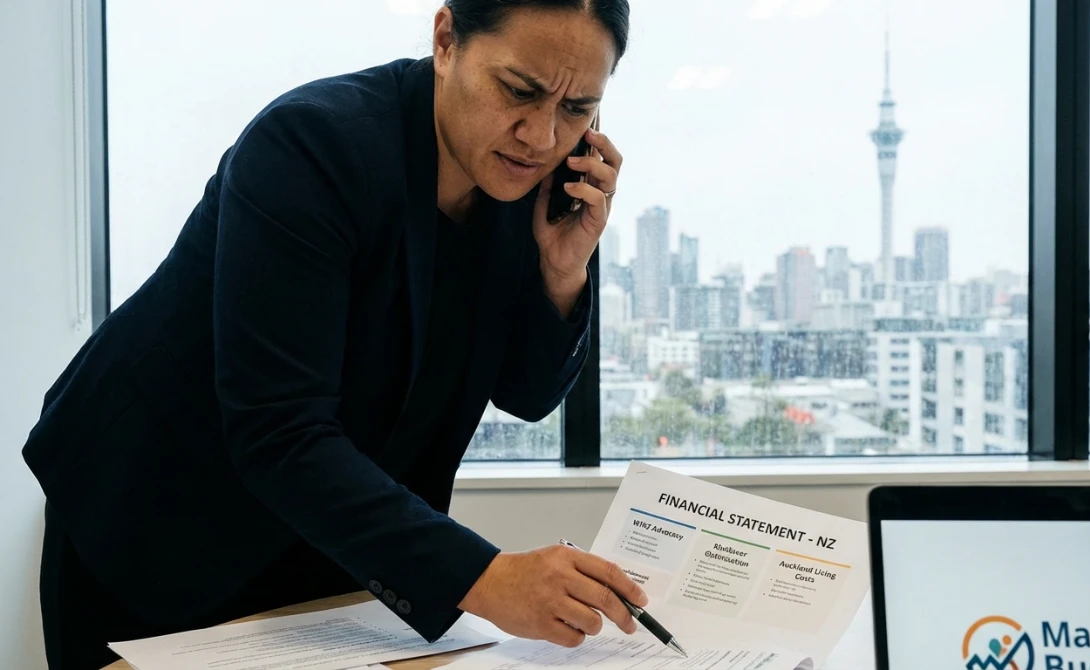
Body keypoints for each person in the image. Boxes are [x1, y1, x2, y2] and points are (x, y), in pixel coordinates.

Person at [22, 1, 648, 668]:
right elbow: (279, 432)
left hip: (325, 552)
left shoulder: (532, 182)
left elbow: (526, 394)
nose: (541, 135)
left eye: (577, 107)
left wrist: (562, 270)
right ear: (446, 41)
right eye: (519, 90)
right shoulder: (310, 146)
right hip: (157, 523)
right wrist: (486, 577)